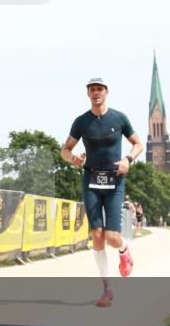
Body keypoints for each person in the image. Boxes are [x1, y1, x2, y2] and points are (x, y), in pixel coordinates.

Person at [61, 77, 143, 307]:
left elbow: (138, 144)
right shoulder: (81, 121)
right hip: (91, 180)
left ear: (106, 92)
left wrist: (127, 159)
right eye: (92, 89)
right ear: (88, 94)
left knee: (112, 237)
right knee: (97, 236)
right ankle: (107, 289)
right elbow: (65, 150)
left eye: (99, 89)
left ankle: (124, 250)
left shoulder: (119, 118)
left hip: (115, 181)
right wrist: (73, 159)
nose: (96, 92)